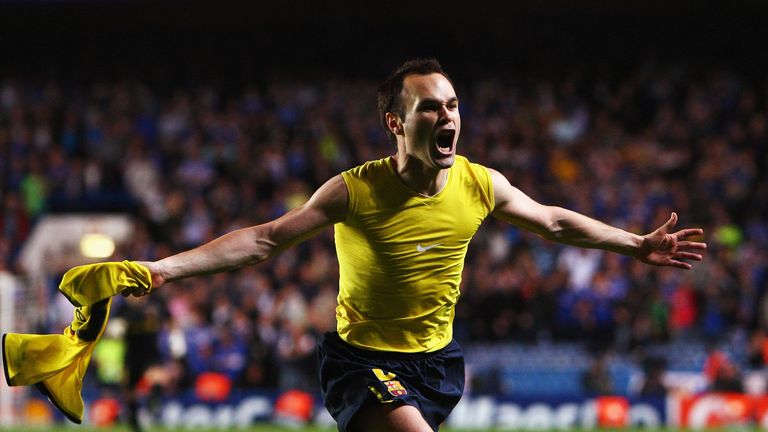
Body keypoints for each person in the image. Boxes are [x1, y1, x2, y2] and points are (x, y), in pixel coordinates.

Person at [122, 58, 707, 432]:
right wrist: (167, 269)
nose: (447, 115)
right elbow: (266, 239)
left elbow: (552, 221)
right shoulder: (354, 190)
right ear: (396, 124)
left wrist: (634, 245)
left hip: (439, 364)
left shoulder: (479, 184)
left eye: (452, 104)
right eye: (430, 106)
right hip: (362, 363)